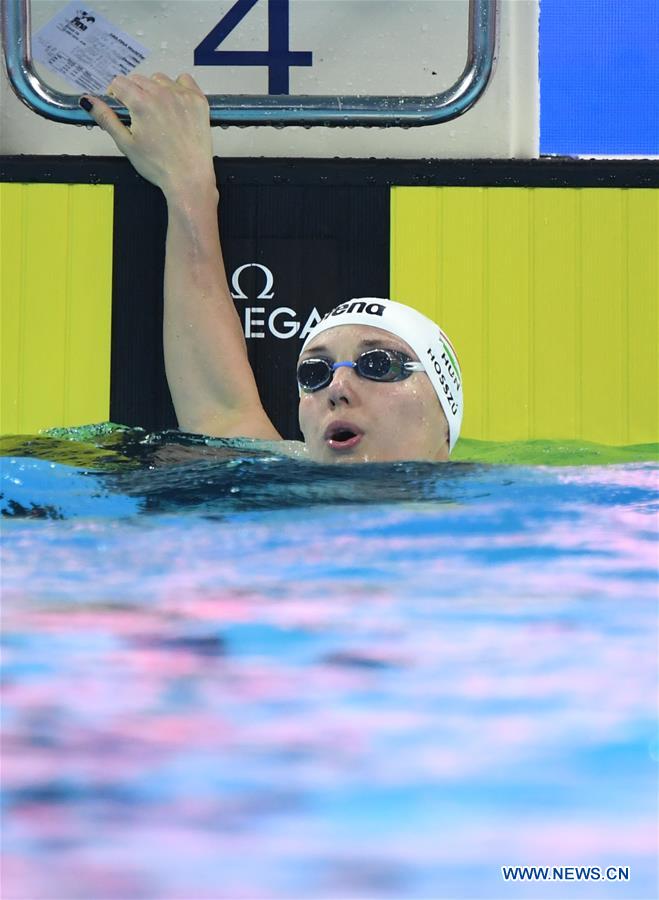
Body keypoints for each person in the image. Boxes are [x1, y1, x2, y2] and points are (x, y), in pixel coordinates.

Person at [80, 73, 463, 463]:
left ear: (446, 421)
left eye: (378, 364)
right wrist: (186, 187)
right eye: (315, 372)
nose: (338, 387)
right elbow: (224, 410)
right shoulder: (276, 482)